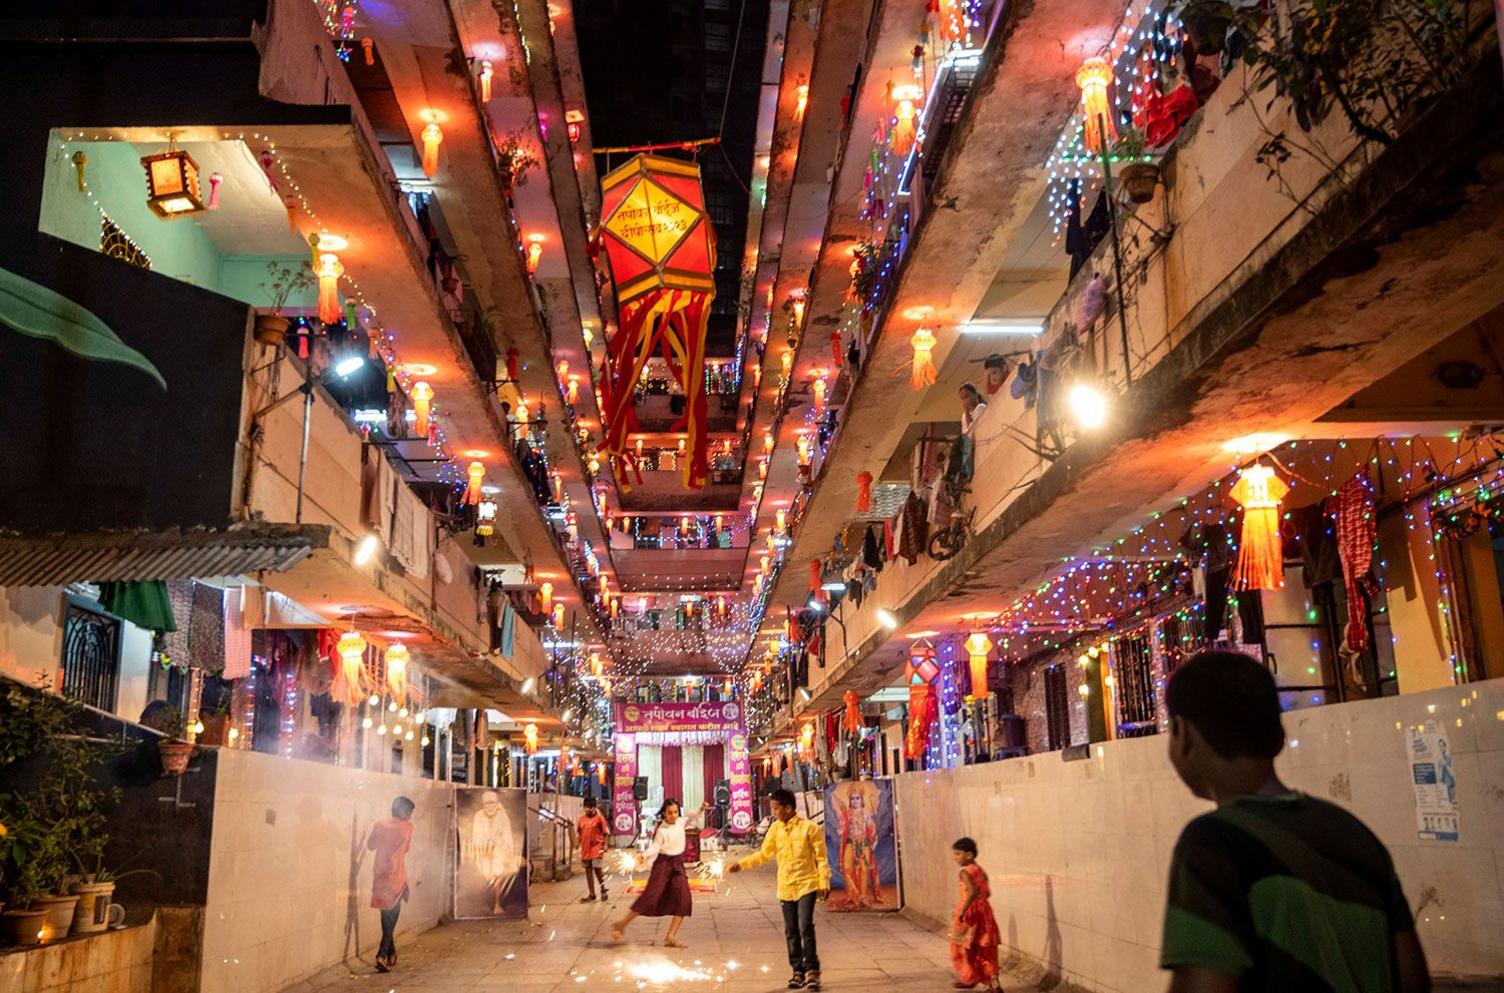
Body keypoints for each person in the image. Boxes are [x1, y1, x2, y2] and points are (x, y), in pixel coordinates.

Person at [1160, 650, 1430, 993]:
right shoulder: (1355, 834)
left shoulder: (1215, 843)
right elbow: (1412, 978)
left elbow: (1204, 985)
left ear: (1182, 734)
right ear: (1278, 737)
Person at [728, 788, 830, 991]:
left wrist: (823, 882)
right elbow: (763, 855)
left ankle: (812, 970)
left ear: (788, 808)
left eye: (776, 809)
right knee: (791, 930)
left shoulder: (810, 829)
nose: (774, 813)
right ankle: (797, 970)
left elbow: (821, 858)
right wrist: (742, 864)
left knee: (805, 926)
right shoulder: (775, 830)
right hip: (785, 886)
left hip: (807, 884)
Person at [612, 798, 707, 948]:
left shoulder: (681, 822)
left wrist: (701, 808)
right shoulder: (661, 830)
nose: (673, 815)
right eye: (670, 813)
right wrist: (644, 854)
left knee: (684, 900)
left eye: (676, 812)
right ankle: (621, 925)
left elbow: (694, 817)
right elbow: (656, 846)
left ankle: (670, 937)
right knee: (649, 897)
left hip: (677, 864)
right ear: (664, 813)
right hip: (663, 865)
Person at [368, 796, 415, 973]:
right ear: (403, 812)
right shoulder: (407, 827)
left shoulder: (379, 825)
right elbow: (407, 849)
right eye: (409, 813)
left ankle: (391, 953)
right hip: (396, 877)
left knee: (386, 918)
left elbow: (370, 846)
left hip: (380, 876)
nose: (410, 817)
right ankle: (381, 955)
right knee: (391, 918)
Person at [948, 837, 1002, 992]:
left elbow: (971, 892)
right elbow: (988, 892)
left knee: (961, 946)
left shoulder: (964, 872)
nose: (955, 857)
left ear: (969, 855)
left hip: (970, 913)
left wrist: (963, 911)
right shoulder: (980, 870)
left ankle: (969, 977)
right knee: (985, 948)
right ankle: (994, 984)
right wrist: (980, 904)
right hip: (984, 912)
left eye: (958, 854)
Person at [470, 790, 522, 915]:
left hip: (500, 853)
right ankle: (483, 903)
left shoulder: (502, 817)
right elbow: (476, 836)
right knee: (482, 874)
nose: (490, 806)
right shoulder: (479, 816)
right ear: (483, 804)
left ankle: (497, 904)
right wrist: (485, 845)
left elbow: (508, 839)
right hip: (483, 853)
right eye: (487, 803)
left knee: (500, 873)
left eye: (492, 803)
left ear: (497, 803)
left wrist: (499, 845)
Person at [576, 796, 611, 903]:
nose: (589, 809)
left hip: (597, 847)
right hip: (585, 850)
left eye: (591, 807)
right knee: (588, 871)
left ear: (595, 807)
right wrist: (577, 844)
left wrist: (605, 845)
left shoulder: (599, 819)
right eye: (586, 807)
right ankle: (592, 895)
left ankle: (603, 888)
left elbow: (605, 833)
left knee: (597, 868)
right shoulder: (581, 820)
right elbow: (579, 834)